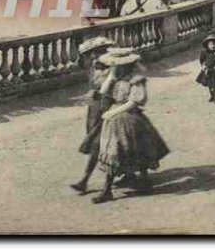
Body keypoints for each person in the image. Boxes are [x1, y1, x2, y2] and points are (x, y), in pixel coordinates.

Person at [92, 48, 170, 204]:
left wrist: (112, 113)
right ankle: (113, 188)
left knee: (135, 149)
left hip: (129, 117)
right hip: (115, 117)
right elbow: (102, 92)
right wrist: (111, 76)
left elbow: (135, 101)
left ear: (128, 64)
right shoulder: (116, 77)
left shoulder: (136, 79)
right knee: (113, 151)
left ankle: (139, 182)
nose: (115, 66)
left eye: (117, 65)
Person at [70, 36, 115, 195]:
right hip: (94, 110)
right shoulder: (93, 67)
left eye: (97, 52)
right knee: (99, 143)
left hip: (108, 109)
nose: (94, 56)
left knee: (101, 144)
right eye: (91, 54)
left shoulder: (113, 68)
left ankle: (85, 180)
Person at [196, 34, 215, 104]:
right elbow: (201, 60)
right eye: (211, 44)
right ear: (207, 45)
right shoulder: (204, 53)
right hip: (207, 70)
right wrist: (203, 66)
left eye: (214, 44)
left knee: (213, 84)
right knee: (210, 84)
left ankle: (214, 97)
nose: (213, 46)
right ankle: (212, 96)